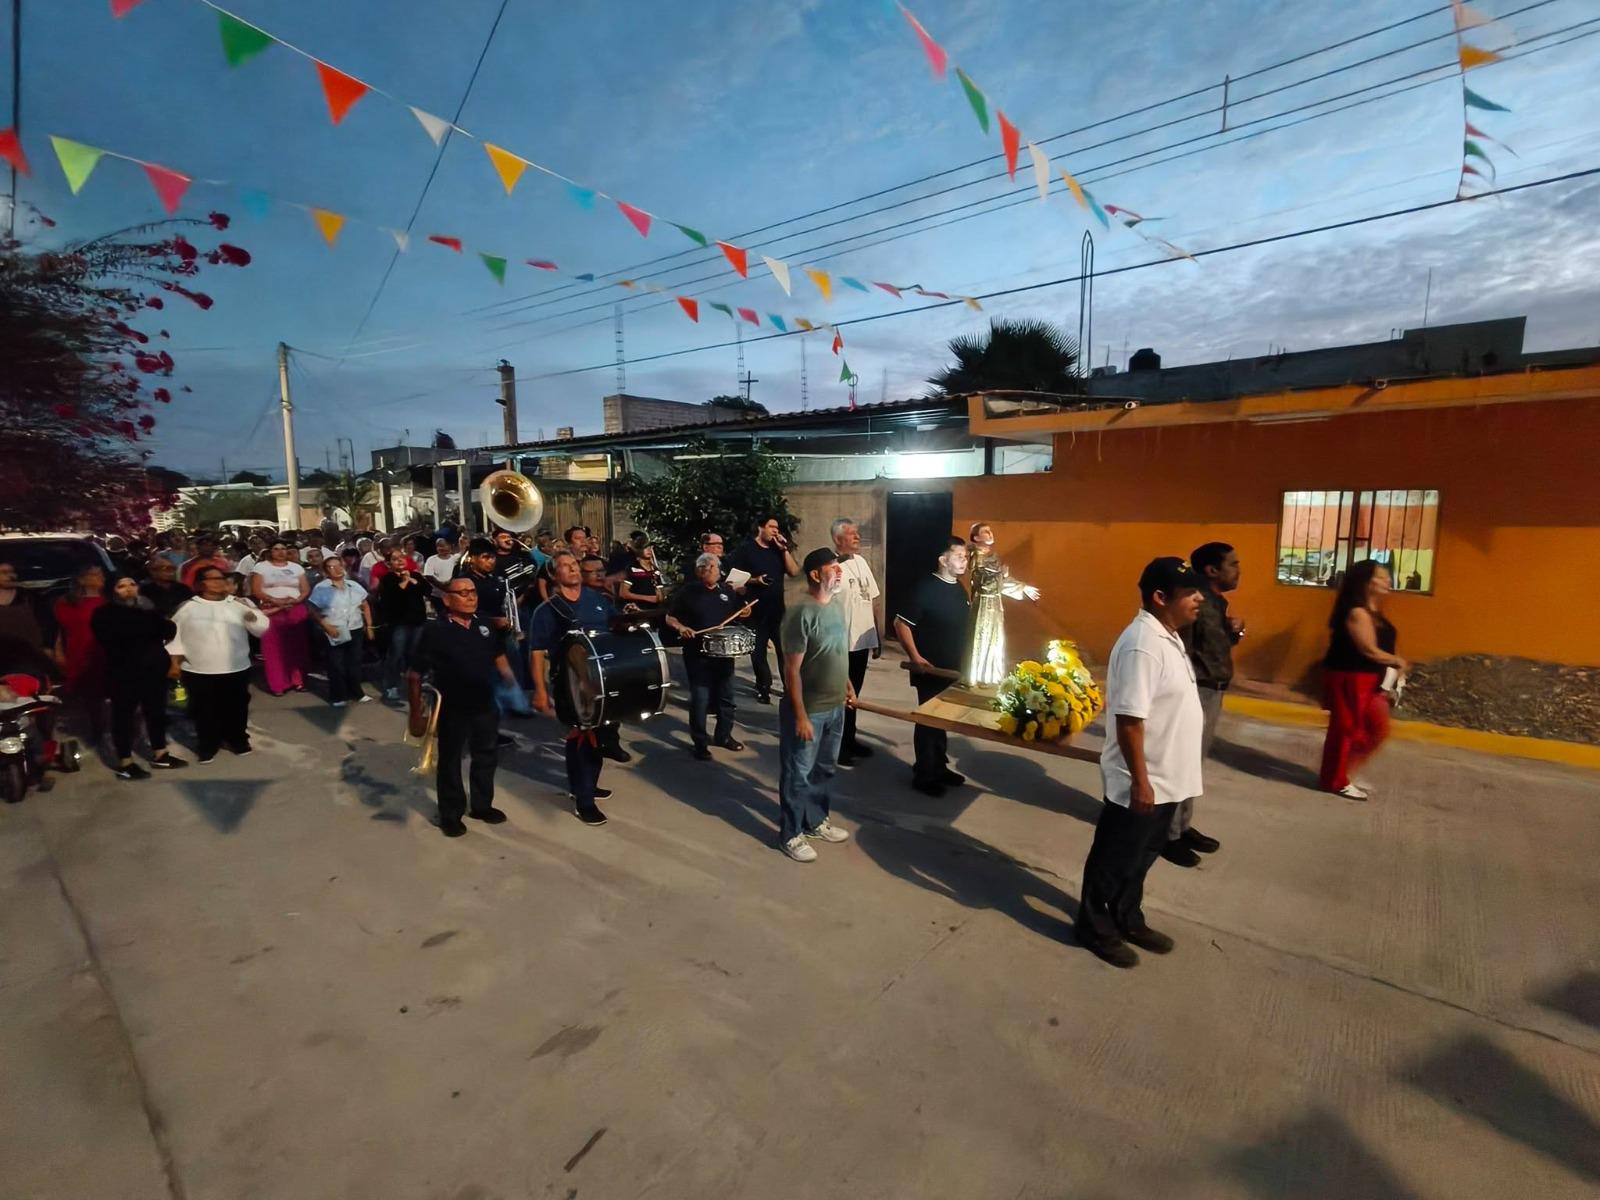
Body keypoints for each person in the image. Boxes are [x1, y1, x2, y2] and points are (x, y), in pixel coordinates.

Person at [1076, 557, 1206, 969]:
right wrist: (1140, 781)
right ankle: (1094, 926)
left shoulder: (1167, 634)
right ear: (1160, 597)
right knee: (1114, 858)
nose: (1199, 599)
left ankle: (1128, 918)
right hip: (1141, 779)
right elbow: (1131, 719)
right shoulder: (1141, 645)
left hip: (1167, 777)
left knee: (1141, 858)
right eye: (1190, 593)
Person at [407, 576, 520, 838]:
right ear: (447, 599)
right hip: (451, 707)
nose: (471, 597)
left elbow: (497, 654)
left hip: (485, 704)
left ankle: (481, 806)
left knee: (486, 755)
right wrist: (416, 714)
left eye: (473, 592)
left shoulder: (484, 624)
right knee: (450, 761)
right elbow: (414, 674)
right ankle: (450, 814)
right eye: (463, 593)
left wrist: (511, 682)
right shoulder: (434, 630)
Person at [776, 547, 856, 863]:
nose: (839, 572)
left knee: (824, 769)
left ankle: (815, 821)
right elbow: (791, 670)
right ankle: (790, 834)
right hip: (809, 710)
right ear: (815, 574)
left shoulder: (835, 607)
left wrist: (847, 686)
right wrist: (800, 715)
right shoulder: (800, 613)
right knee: (798, 774)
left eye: (840, 567)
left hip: (835, 705)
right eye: (833, 567)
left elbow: (837, 653)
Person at [529, 550, 617, 826]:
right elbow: (536, 652)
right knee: (583, 736)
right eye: (565, 566)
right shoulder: (547, 611)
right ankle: (584, 801)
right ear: (555, 576)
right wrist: (541, 692)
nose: (573, 569)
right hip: (570, 683)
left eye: (574, 564)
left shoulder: (597, 600)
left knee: (600, 734)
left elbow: (615, 625)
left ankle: (584, 784)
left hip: (603, 678)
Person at [1167, 542, 1240, 866]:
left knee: (1192, 765)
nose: (1238, 570)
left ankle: (1182, 826)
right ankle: (1166, 836)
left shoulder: (1215, 603)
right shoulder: (1193, 602)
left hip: (1213, 691)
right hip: (1195, 690)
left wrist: (1232, 633)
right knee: (1180, 763)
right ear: (1212, 570)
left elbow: (1211, 645)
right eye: (1233, 564)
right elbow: (1181, 648)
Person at [1318, 559, 1407, 801]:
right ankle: (1336, 780)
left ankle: (1345, 774)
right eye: (1381, 576)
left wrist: (1393, 673)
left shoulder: (1375, 612)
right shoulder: (1356, 612)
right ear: (1366, 582)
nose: (1388, 581)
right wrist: (1396, 660)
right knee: (1346, 729)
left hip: (1371, 679)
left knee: (1377, 729)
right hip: (1351, 676)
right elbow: (1368, 649)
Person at [893, 537, 971, 797]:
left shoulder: (959, 589)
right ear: (943, 559)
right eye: (959, 556)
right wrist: (915, 657)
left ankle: (939, 766)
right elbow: (901, 624)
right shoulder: (925, 588)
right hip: (930, 669)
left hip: (954, 670)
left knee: (944, 720)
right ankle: (924, 774)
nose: (964, 561)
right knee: (928, 721)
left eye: (965, 556)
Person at [170, 565, 271, 761]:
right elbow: (175, 638)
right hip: (199, 669)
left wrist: (252, 614)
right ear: (200, 584)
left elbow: (260, 629)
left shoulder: (238, 603)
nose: (220, 582)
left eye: (222, 578)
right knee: (204, 709)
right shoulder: (188, 607)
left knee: (237, 707)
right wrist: (174, 664)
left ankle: (237, 739)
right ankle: (208, 744)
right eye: (213, 579)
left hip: (236, 666)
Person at [92, 573, 186, 779]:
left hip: (154, 669)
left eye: (132, 584)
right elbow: (125, 634)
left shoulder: (147, 608)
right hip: (124, 672)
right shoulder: (104, 614)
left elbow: (169, 630)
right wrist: (149, 623)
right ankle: (125, 761)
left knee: (156, 712)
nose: (128, 589)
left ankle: (160, 753)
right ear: (111, 591)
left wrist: (150, 620)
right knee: (124, 716)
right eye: (121, 586)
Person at [667, 552, 753, 760]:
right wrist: (681, 627)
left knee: (727, 697)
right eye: (704, 567)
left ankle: (723, 736)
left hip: (723, 654)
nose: (708, 570)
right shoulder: (688, 592)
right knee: (701, 699)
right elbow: (670, 617)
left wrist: (745, 612)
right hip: (698, 653)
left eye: (712, 567)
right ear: (698, 571)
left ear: (719, 570)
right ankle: (700, 742)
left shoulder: (726, 591)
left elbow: (741, 612)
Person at [730, 516, 800, 704]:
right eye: (771, 527)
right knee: (758, 652)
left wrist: (784, 549)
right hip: (755, 609)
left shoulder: (778, 551)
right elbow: (732, 579)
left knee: (784, 651)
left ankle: (789, 687)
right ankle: (763, 687)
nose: (775, 531)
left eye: (777, 528)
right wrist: (755, 580)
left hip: (777, 609)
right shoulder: (746, 550)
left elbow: (795, 572)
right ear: (760, 528)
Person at [962, 522, 1041, 686]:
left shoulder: (994, 557)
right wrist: (1001, 575)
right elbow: (983, 582)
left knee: (995, 640)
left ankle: (990, 676)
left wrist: (1023, 587)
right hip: (983, 603)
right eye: (985, 531)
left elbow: (1001, 581)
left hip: (995, 604)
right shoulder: (975, 557)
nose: (990, 534)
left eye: (990, 530)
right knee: (981, 638)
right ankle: (976, 675)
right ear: (976, 537)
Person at [830, 518, 881, 766]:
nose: (857, 537)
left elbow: (873, 598)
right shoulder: (831, 566)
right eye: (852, 534)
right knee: (841, 696)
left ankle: (849, 740)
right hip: (842, 643)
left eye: (857, 533)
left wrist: (876, 634)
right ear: (838, 539)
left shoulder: (860, 561)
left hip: (862, 640)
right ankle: (837, 746)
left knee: (854, 695)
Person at [308, 554, 374, 707]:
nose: (337, 569)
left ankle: (356, 692)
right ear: (326, 571)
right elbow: (312, 610)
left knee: (355, 662)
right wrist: (326, 625)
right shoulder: (322, 588)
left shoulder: (353, 585)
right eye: (332, 567)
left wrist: (369, 626)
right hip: (334, 629)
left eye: (339, 565)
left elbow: (365, 605)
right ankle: (338, 695)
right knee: (336, 664)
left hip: (355, 627)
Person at [52, 564, 108, 743]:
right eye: (94, 575)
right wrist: (58, 651)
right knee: (91, 694)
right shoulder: (67, 603)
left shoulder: (109, 600)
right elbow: (60, 630)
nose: (100, 578)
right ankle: (97, 730)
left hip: (107, 651)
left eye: (101, 574)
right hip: (81, 651)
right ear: (82, 580)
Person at [249, 539, 311, 696]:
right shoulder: (261, 567)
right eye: (276, 549)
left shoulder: (296, 568)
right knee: (273, 649)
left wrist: (295, 600)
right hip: (272, 609)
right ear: (270, 551)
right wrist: (275, 601)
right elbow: (257, 590)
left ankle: (298, 681)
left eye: (283, 549)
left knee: (297, 647)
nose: (280, 552)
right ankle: (278, 684)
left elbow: (304, 589)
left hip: (294, 608)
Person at [378, 548, 428, 703]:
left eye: (402, 557)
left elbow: (427, 589)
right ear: (388, 563)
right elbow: (393, 596)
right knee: (396, 656)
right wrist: (405, 581)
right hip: (399, 624)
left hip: (418, 622)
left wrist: (412, 579)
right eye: (395, 559)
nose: (400, 560)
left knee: (415, 655)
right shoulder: (388, 579)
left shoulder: (416, 575)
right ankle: (391, 687)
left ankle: (416, 687)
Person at [0, 562, 44, 653]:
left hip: (29, 653)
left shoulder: (29, 596)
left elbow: (46, 624)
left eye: (12, 572)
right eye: (4, 572)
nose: (10, 575)